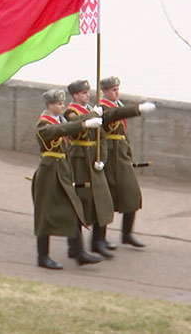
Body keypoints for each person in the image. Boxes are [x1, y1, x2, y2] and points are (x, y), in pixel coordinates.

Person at [33, 89, 104, 268]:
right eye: (58, 104)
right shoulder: (43, 125)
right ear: (49, 105)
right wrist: (85, 124)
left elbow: (68, 125)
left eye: (63, 103)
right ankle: (42, 256)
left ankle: (78, 251)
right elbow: (61, 130)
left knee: (73, 210)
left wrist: (92, 116)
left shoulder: (60, 119)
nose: (62, 106)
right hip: (49, 173)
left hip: (63, 171)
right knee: (45, 215)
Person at [98, 76, 156, 248]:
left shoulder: (117, 105)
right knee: (106, 200)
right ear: (105, 91)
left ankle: (126, 234)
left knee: (132, 195)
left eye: (117, 89)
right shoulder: (102, 107)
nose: (116, 92)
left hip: (121, 156)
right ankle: (99, 238)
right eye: (113, 90)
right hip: (109, 156)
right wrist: (137, 108)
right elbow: (114, 115)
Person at [63, 79, 115, 259]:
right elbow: (74, 125)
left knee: (101, 200)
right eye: (83, 93)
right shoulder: (71, 111)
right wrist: (92, 115)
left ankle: (98, 241)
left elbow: (101, 136)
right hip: (79, 161)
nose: (88, 95)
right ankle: (75, 247)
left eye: (88, 92)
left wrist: (102, 157)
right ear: (75, 95)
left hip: (93, 159)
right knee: (80, 203)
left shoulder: (91, 109)